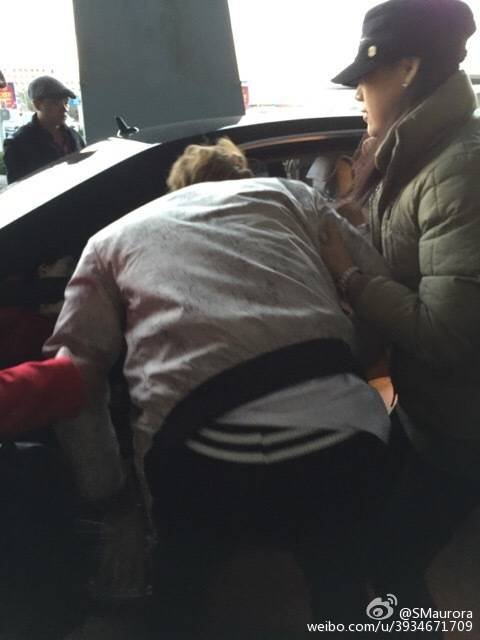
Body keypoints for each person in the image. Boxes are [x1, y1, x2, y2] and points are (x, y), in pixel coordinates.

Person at [44, 138, 393, 626]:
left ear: (177, 190)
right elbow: (378, 285)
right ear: (243, 177)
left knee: (182, 598)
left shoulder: (110, 240)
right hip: (343, 433)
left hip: (195, 453)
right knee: (345, 585)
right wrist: (350, 360)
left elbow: (73, 376)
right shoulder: (291, 196)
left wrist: (112, 500)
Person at [323, 0, 480, 598]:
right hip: (428, 411)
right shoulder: (420, 155)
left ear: (408, 69)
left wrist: (349, 276)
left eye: (367, 75)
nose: (358, 92)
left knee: (386, 569)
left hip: (460, 430)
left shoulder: (460, 169)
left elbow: (447, 333)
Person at [3, 76, 85, 184]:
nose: (65, 109)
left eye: (66, 102)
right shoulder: (18, 144)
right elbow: (17, 188)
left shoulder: (74, 136)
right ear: (37, 104)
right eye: (56, 103)